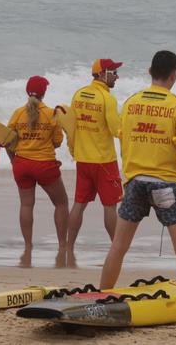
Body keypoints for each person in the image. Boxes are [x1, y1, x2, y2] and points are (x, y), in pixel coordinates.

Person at [99, 50, 176, 322]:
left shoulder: (131, 102)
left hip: (136, 183)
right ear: (174, 76)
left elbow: (123, 139)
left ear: (150, 72)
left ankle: (101, 300)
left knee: (118, 246)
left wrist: (130, 175)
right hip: (166, 185)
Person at [6, 76, 69, 268]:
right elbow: (57, 142)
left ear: (27, 92)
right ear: (44, 93)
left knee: (26, 205)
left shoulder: (17, 113)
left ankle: (28, 246)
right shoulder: (51, 114)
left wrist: (14, 161)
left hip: (22, 164)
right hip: (44, 165)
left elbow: (7, 140)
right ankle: (62, 245)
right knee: (61, 203)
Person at [66, 58, 123, 266]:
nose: (117, 76)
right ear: (101, 74)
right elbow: (117, 130)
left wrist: (72, 150)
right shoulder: (107, 99)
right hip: (104, 161)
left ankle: (68, 247)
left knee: (79, 204)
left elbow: (71, 127)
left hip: (82, 159)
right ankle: (117, 249)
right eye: (113, 72)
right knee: (110, 206)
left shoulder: (78, 94)